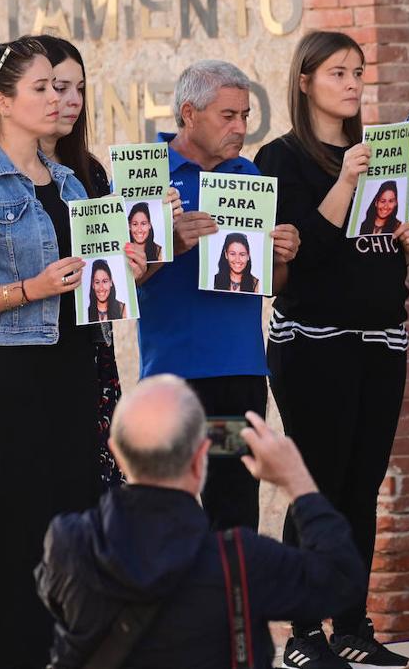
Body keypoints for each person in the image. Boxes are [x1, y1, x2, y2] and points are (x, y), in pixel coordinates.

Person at [0, 37, 147, 668]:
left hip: (77, 376)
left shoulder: (73, 183)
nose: (60, 98)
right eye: (44, 89)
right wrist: (32, 287)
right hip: (10, 381)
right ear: (1, 100)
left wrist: (132, 261)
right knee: (13, 547)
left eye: (65, 88)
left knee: (78, 544)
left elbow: (97, 281)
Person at [256, 31, 409, 669]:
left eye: (358, 72)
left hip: (380, 339)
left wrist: (408, 241)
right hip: (312, 342)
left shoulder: (376, 152)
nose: (353, 84)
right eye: (338, 73)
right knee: (316, 486)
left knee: (362, 487)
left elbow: (372, 255)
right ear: (305, 81)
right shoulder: (281, 159)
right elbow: (305, 254)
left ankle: (353, 624)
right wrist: (347, 182)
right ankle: (302, 632)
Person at [36, 375, 367, 668]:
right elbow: (342, 579)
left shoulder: (68, 543)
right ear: (200, 458)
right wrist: (296, 480)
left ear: (117, 453)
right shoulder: (241, 559)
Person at [135, 60, 300, 531]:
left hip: (240, 376)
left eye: (245, 116)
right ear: (189, 113)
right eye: (228, 116)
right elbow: (115, 281)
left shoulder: (248, 175)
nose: (241, 127)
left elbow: (273, 284)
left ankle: (236, 609)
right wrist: (169, 242)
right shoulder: (144, 174)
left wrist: (284, 256)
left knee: (234, 514)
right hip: (172, 379)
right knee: (168, 512)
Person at [35, 33, 167, 490]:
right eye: (57, 87)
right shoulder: (1, 180)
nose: (70, 100)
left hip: (93, 356)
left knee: (97, 494)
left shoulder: (91, 172)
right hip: (35, 358)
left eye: (79, 89)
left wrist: (148, 244)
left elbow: (123, 273)